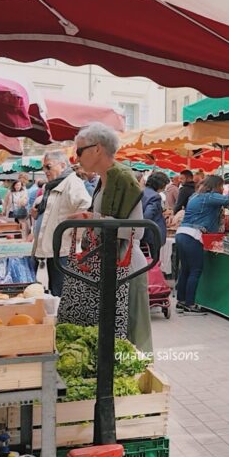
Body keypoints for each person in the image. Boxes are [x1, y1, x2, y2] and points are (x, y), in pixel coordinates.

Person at [61, 124, 153, 352]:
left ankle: (133, 373)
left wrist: (93, 218)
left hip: (125, 267)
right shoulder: (105, 180)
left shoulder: (122, 178)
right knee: (113, 335)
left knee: (129, 338)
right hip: (111, 265)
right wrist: (90, 218)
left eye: (79, 151)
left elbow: (136, 230)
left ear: (97, 149)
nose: (76, 157)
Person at [175, 175, 229, 313]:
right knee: (195, 270)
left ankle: (181, 301)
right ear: (216, 186)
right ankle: (190, 304)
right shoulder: (209, 196)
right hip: (193, 235)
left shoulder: (195, 196)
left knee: (185, 269)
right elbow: (228, 199)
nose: (222, 189)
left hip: (181, 233)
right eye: (221, 186)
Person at [32, 149, 91, 298]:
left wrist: (76, 232)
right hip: (54, 248)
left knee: (62, 294)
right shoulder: (53, 185)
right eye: (44, 168)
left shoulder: (72, 182)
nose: (45, 171)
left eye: (48, 166)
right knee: (56, 293)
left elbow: (85, 205)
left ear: (63, 165)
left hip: (64, 250)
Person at [142, 173, 170, 260]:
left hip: (143, 235)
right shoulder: (155, 196)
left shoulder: (143, 192)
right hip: (152, 235)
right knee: (153, 262)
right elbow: (148, 215)